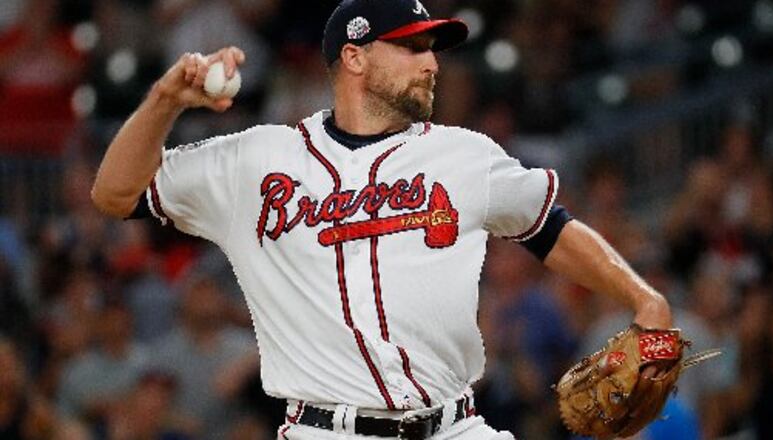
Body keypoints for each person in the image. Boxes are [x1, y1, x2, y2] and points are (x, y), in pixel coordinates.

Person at [91, 1, 673, 438]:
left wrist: (644, 299)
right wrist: (164, 101)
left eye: (433, 49)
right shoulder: (257, 159)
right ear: (355, 56)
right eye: (413, 47)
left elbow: (550, 229)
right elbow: (115, 194)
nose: (431, 63)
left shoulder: (465, 155)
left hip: (455, 424)